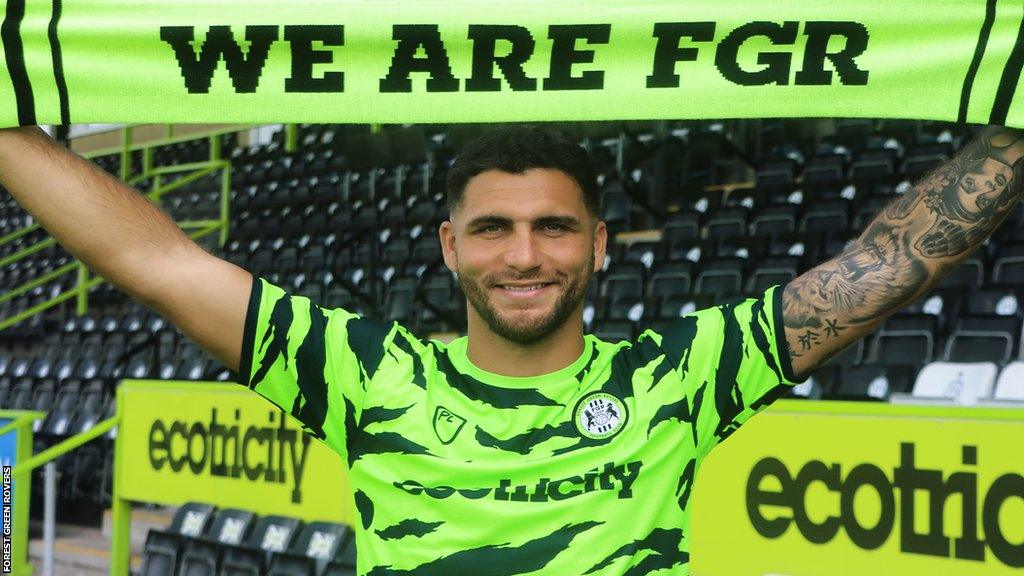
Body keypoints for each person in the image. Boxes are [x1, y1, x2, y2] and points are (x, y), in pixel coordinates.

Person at [0, 122, 1021, 575]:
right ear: (449, 246)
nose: (523, 255)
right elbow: (157, 260)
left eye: (554, 226)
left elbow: (884, 267)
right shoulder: (366, 372)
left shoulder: (679, 373)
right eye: (492, 228)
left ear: (600, 243)